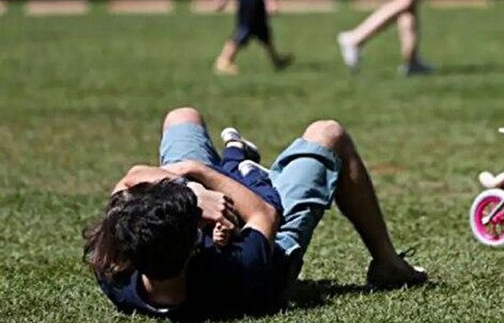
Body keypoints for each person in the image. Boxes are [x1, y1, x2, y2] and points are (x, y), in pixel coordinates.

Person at [82, 107, 426, 319]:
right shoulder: (237, 269)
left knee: (182, 117)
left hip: (195, 221)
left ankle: (233, 161)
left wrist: (193, 193)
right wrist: (197, 174)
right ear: (194, 244)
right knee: (328, 133)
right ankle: (387, 263)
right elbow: (263, 213)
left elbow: (131, 178)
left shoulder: (114, 268)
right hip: (271, 237)